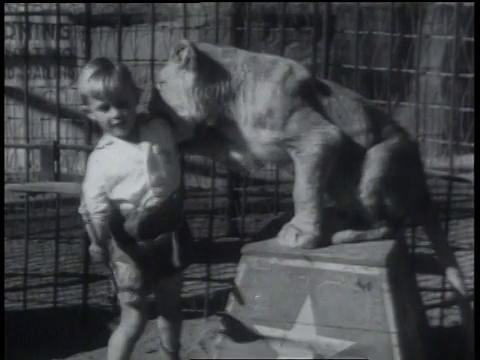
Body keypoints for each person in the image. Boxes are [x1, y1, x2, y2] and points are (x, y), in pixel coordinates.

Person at [78, 57, 191, 360]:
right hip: (129, 243)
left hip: (169, 230)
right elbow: (94, 205)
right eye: (104, 108)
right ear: (89, 113)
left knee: (170, 306)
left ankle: (172, 355)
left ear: (137, 98)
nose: (116, 114)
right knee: (134, 317)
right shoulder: (101, 159)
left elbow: (188, 125)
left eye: (123, 103)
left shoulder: (160, 127)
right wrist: (97, 241)